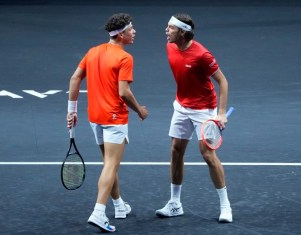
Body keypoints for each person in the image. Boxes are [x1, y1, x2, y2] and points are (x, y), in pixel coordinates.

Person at [66, 13, 148, 232]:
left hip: (95, 117)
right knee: (111, 166)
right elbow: (124, 92)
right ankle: (98, 213)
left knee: (108, 166)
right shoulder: (125, 58)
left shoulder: (92, 52)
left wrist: (71, 111)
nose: (134, 32)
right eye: (131, 29)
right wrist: (140, 110)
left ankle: (119, 206)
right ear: (121, 35)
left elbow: (74, 78)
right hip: (114, 118)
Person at [155, 13, 233, 223]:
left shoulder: (202, 55)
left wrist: (221, 113)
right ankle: (175, 204)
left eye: (170, 28)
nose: (166, 30)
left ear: (182, 32)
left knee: (208, 155)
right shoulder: (170, 46)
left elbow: (223, 82)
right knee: (176, 151)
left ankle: (225, 206)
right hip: (181, 107)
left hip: (204, 109)